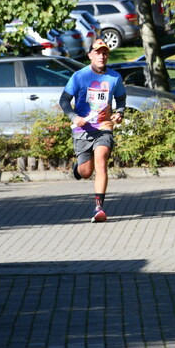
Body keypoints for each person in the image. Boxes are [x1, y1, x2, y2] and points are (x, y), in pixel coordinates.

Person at [60, 38, 126, 222]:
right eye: (97, 52)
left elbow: (120, 99)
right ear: (90, 55)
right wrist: (75, 117)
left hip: (104, 127)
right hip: (83, 129)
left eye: (104, 53)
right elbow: (64, 101)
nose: (101, 56)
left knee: (101, 160)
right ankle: (78, 169)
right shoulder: (79, 76)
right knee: (86, 172)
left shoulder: (114, 77)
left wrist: (119, 113)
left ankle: (99, 208)